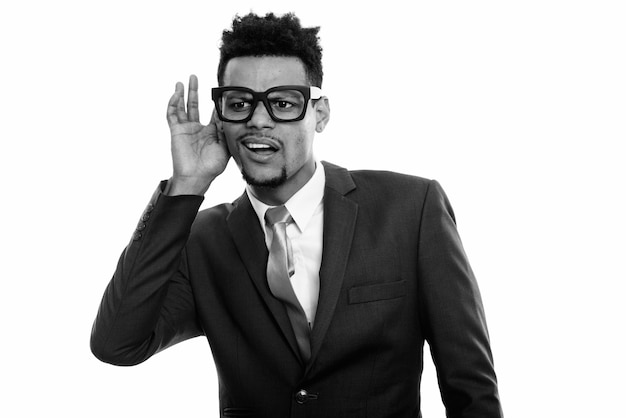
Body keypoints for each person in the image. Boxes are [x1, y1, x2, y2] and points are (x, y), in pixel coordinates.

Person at [90, 12, 503, 417]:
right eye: (239, 104)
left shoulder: (411, 209)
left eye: (283, 103)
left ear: (319, 114)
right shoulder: (201, 239)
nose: (258, 121)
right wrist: (187, 185)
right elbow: (116, 344)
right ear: (221, 119)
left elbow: (470, 387)